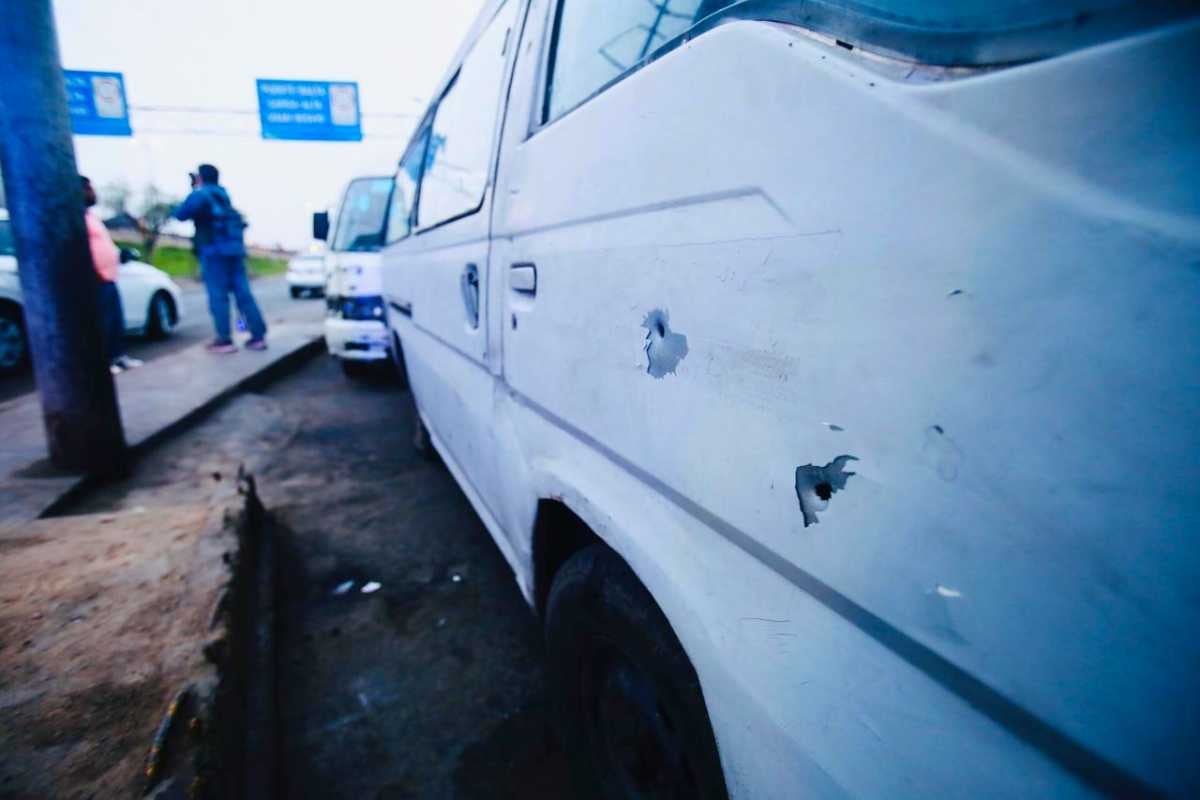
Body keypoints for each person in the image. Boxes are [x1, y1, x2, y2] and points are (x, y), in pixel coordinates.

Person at [172, 163, 267, 353]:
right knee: (244, 295)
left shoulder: (200, 195)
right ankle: (257, 337)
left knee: (219, 297)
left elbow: (180, 214)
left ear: (200, 177)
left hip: (214, 253)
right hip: (234, 251)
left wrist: (193, 189)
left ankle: (224, 340)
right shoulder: (223, 195)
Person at [82, 175, 142, 374]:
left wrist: (119, 255)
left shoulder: (91, 217)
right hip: (95, 278)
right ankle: (106, 361)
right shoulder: (75, 216)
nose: (93, 192)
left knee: (115, 320)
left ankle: (119, 356)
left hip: (108, 276)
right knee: (103, 322)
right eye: (88, 188)